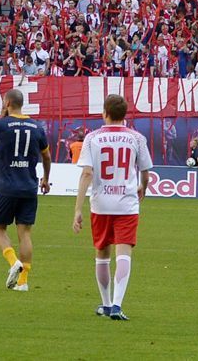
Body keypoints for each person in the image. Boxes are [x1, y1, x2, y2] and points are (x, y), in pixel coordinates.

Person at [72, 94, 153, 321]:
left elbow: (87, 173)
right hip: (126, 203)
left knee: (102, 253)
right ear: (124, 114)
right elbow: (145, 171)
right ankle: (117, 304)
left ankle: (106, 304)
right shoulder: (136, 138)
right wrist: (142, 188)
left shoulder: (92, 138)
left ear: (104, 113)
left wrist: (78, 209)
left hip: (100, 203)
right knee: (124, 252)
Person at [0, 88, 51, 292]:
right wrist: (46, 179)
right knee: (25, 234)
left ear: (7, 103)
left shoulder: (1, 125)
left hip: (5, 186)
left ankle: (13, 262)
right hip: (29, 186)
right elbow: (46, 157)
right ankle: (23, 282)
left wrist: (1, 118)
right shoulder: (37, 126)